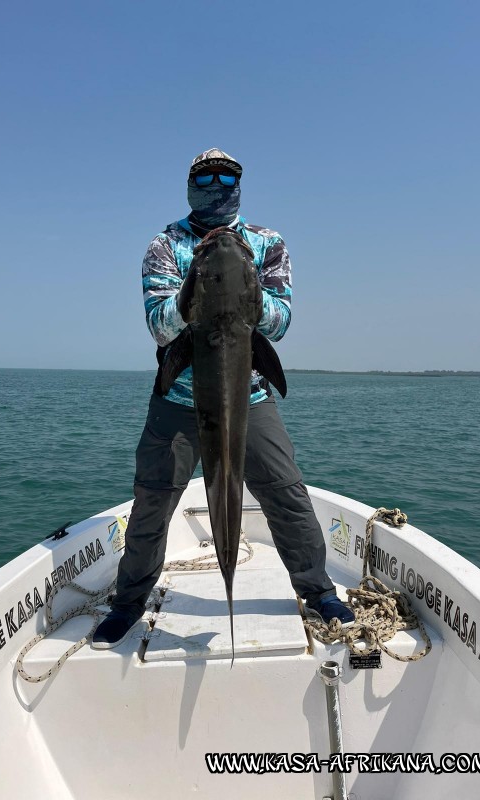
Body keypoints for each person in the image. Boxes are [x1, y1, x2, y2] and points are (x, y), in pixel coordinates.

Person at [92, 148, 354, 649]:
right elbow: (160, 326)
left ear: (240, 183)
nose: (216, 185)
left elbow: (280, 322)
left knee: (287, 494)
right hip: (177, 404)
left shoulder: (268, 243)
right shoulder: (165, 245)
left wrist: (251, 295)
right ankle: (127, 603)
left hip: (250, 397)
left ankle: (318, 591)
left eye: (227, 176)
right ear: (189, 184)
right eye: (204, 176)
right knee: (151, 503)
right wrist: (193, 291)